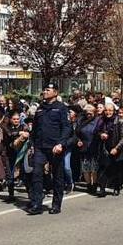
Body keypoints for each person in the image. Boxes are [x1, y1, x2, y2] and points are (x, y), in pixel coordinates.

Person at [26, 84, 71, 214]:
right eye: (44, 90)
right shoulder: (40, 108)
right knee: (37, 174)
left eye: (48, 90)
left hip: (55, 147)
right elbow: (35, 129)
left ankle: (56, 204)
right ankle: (36, 204)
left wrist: (61, 144)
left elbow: (67, 128)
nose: (45, 92)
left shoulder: (61, 108)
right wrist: (32, 145)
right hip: (40, 146)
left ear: (55, 92)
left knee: (57, 175)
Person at [74, 103, 100, 194]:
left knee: (94, 168)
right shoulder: (81, 121)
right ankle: (89, 185)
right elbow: (76, 133)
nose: (89, 114)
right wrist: (78, 140)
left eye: (91, 112)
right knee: (85, 168)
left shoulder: (98, 120)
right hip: (84, 146)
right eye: (87, 113)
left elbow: (101, 131)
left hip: (94, 146)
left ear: (94, 112)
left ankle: (95, 184)